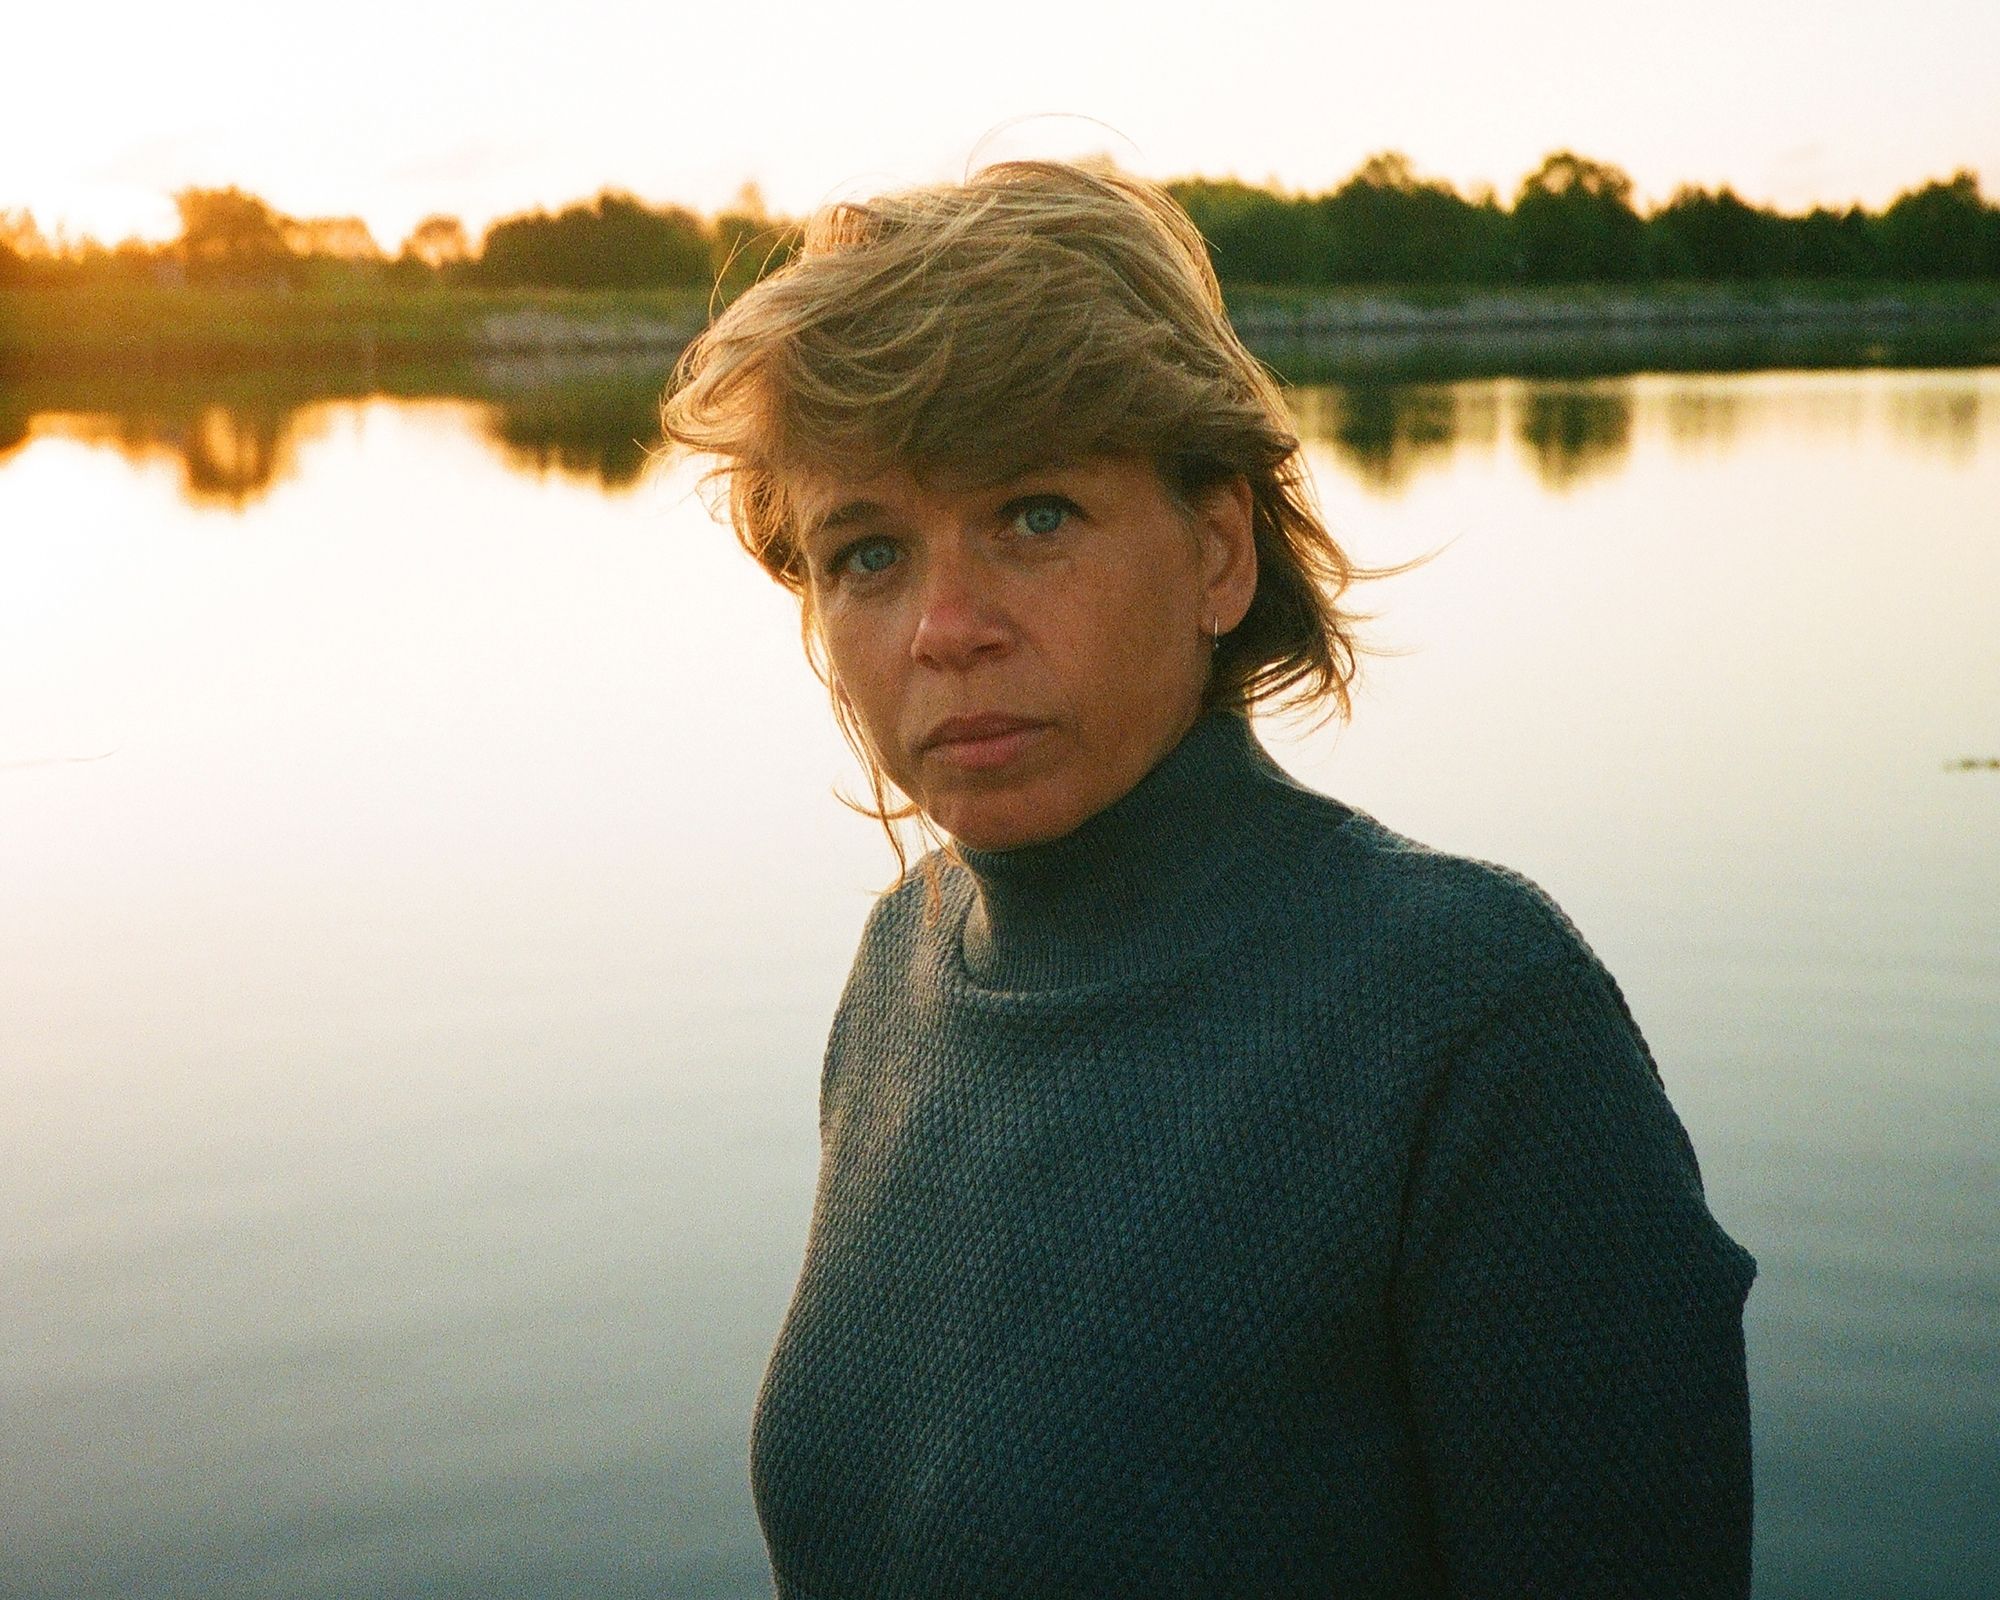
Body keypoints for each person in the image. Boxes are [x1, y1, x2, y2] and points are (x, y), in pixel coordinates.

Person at [661, 160, 1757, 1599]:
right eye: (866, 552)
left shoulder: (1472, 1022)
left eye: (1035, 515)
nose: (946, 626)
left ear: (1220, 553)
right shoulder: (904, 966)